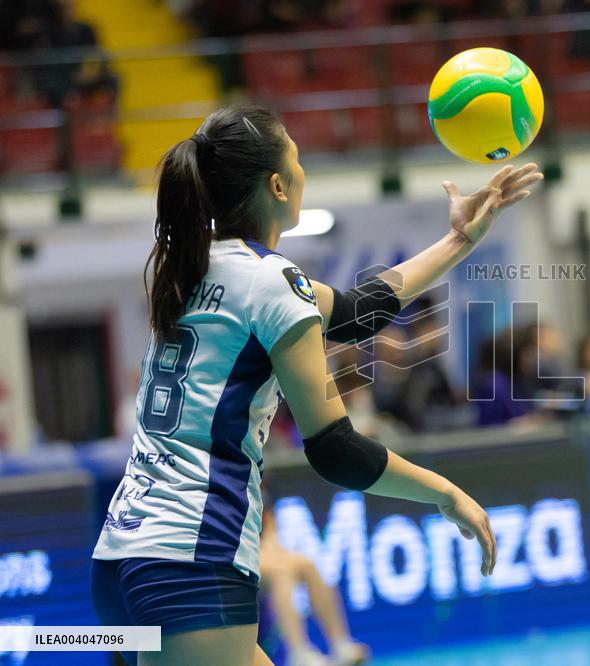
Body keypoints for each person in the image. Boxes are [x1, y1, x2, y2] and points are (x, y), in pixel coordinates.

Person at [90, 104, 542, 666]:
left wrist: (459, 239)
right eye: (298, 160)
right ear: (277, 185)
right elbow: (335, 448)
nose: (304, 171)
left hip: (125, 556)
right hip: (191, 558)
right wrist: (446, 493)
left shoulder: (192, 266)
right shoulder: (270, 282)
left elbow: (355, 313)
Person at [259, 502, 368, 666]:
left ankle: (340, 644)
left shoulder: (261, 492)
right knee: (280, 572)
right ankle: (299, 653)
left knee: (306, 564)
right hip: (233, 559)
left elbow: (270, 532)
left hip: (260, 553)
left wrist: (272, 551)